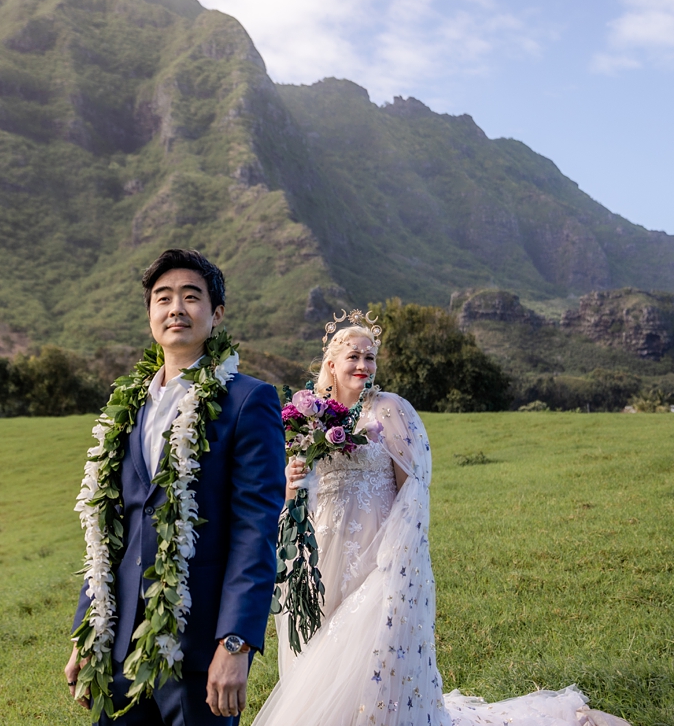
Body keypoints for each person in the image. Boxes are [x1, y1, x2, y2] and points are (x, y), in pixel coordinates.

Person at [253, 314, 630, 726]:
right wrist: (293, 483)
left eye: (370, 357)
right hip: (320, 548)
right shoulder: (306, 417)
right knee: (320, 645)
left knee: (364, 642)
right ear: (331, 363)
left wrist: (400, 555)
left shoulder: (389, 409)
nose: (363, 365)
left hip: (374, 546)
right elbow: (292, 488)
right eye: (353, 356)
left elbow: (412, 486)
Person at [66, 249, 286, 725]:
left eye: (191, 297)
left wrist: (236, 643)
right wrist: (89, 633)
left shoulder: (250, 401)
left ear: (216, 312)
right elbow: (108, 532)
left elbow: (256, 529)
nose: (176, 309)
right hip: (122, 649)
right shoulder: (125, 408)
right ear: (150, 314)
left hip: (201, 648)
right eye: (163, 298)